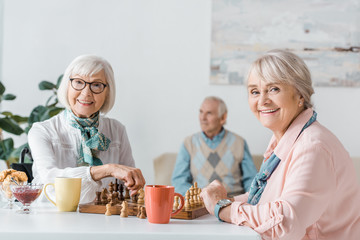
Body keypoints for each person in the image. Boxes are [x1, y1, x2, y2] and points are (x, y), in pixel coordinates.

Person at [200, 49, 360, 239]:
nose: (262, 101)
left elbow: (285, 222)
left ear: (300, 95)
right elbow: (268, 200)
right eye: (254, 91)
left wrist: (224, 208)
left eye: (274, 89)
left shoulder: (312, 146)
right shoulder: (287, 139)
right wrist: (224, 201)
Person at [28, 55, 145, 203]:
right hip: (53, 217)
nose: (86, 93)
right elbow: (50, 179)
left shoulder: (117, 130)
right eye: (78, 82)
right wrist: (107, 169)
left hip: (105, 220)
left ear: (107, 92)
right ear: (67, 85)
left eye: (96, 85)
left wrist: (134, 185)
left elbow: (128, 186)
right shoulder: (42, 131)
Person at [172, 96, 257, 196]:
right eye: (201, 112)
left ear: (223, 118)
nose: (202, 118)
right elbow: (179, 181)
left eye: (209, 113)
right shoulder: (189, 143)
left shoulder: (239, 142)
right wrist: (200, 197)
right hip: (201, 204)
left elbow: (251, 180)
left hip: (232, 203)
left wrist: (248, 200)